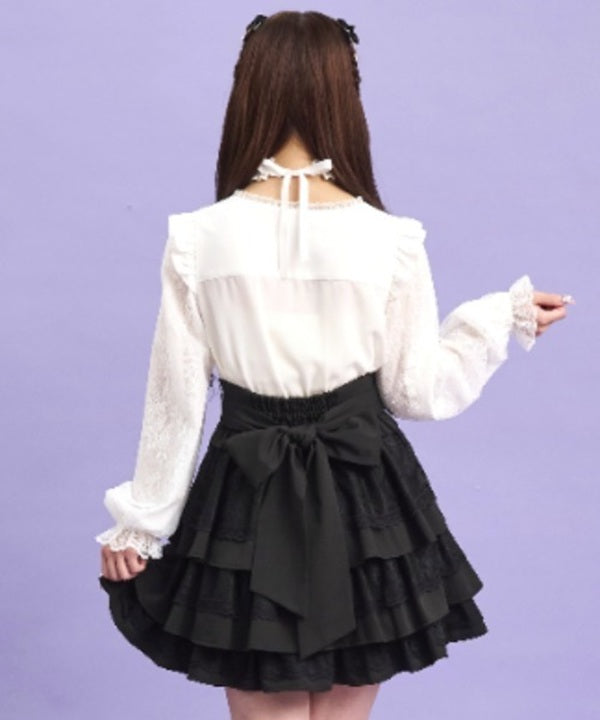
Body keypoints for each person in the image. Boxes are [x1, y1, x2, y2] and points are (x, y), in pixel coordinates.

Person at [95, 11, 571, 720]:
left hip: (245, 488)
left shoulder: (198, 237)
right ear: (345, 94)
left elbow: (177, 396)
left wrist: (142, 521)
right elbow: (415, 391)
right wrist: (498, 318)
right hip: (365, 492)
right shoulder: (391, 239)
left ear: (247, 90)